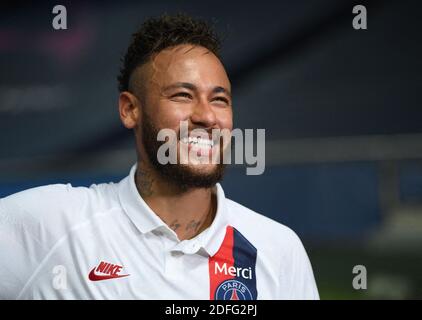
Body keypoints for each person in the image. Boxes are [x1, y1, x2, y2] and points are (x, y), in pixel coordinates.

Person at [0, 13, 319, 300]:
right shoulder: (49, 225)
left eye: (219, 99)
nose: (207, 116)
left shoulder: (277, 250)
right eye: (183, 95)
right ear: (129, 109)